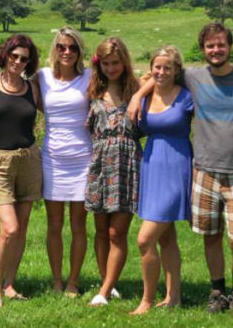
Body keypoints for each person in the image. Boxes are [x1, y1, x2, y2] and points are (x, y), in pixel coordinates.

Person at [129, 22, 233, 318]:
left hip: (231, 170)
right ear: (203, 50)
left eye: (221, 45)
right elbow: (159, 75)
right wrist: (138, 95)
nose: (216, 50)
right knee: (198, 237)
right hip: (191, 170)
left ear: (229, 46)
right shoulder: (194, 77)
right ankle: (206, 292)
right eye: (210, 46)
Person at [129, 46, 193, 315]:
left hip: (177, 167)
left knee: (145, 239)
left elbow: (213, 120)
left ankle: (146, 299)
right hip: (152, 166)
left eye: (168, 67)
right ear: (151, 67)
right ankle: (174, 295)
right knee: (166, 239)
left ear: (176, 70)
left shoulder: (187, 96)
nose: (162, 71)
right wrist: (137, 94)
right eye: (157, 66)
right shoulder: (144, 96)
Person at [0, 34, 42, 309]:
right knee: (10, 227)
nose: (18, 62)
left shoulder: (33, 87)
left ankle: (10, 284)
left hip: (28, 159)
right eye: (14, 56)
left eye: (24, 58)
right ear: (5, 55)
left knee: (22, 228)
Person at [84, 38, 140, 307]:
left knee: (117, 232)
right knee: (101, 230)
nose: (111, 68)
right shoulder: (93, 89)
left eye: (116, 62)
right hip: (100, 163)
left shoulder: (136, 89)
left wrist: (141, 93)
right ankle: (108, 281)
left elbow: (162, 75)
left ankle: (104, 291)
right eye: (105, 63)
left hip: (126, 163)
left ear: (124, 62)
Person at [38, 26, 91, 296]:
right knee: (54, 224)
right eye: (61, 47)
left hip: (83, 158)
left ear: (80, 51)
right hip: (52, 159)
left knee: (78, 224)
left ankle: (73, 280)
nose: (67, 52)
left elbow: (125, 82)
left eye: (72, 47)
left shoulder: (90, 78)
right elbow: (17, 87)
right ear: (54, 50)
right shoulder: (43, 77)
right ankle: (57, 279)